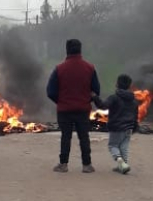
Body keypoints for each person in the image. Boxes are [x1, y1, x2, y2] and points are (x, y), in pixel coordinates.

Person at [46, 39, 101, 173]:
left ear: (67, 50)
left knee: (66, 137)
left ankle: (63, 164)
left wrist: (60, 101)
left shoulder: (59, 69)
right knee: (84, 137)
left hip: (64, 110)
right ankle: (87, 165)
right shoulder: (90, 68)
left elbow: (50, 91)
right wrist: (87, 100)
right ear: (80, 50)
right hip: (83, 109)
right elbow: (96, 90)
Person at [92, 74, 140, 174]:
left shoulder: (114, 97)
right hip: (129, 128)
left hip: (116, 127)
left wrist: (94, 97)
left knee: (112, 146)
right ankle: (123, 165)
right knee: (124, 147)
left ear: (117, 84)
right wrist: (135, 127)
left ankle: (119, 160)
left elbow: (103, 106)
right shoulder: (134, 101)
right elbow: (135, 115)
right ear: (129, 86)